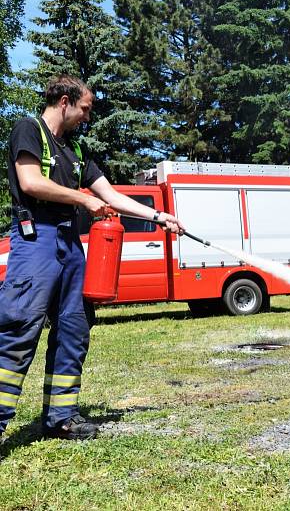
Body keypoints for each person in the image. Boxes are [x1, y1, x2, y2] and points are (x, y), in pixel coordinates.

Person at [0, 75, 184, 441]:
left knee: (73, 329)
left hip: (70, 246)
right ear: (65, 101)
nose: (87, 117)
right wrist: (83, 199)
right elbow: (31, 182)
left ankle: (60, 418)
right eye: (85, 109)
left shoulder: (77, 150)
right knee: (20, 329)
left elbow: (110, 194)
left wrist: (158, 217)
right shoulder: (29, 129)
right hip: (36, 240)